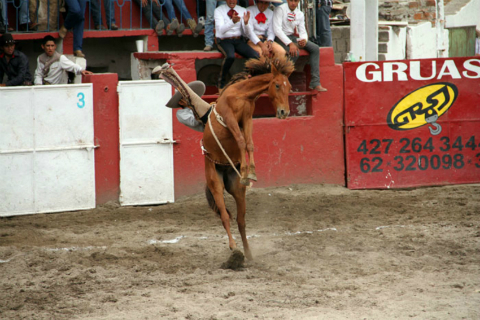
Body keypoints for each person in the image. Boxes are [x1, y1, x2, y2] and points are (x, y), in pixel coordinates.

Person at [273, 0, 327, 92]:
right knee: (295, 52)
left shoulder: (299, 13)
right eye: (291, 0)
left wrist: (303, 40)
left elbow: (302, 31)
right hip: (280, 38)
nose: (293, 3)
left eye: (296, 1)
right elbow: (277, 30)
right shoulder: (280, 9)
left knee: (315, 48)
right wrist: (290, 44)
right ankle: (283, 82)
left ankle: (315, 82)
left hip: (292, 37)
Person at [214, 0, 259, 89]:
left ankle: (245, 79)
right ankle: (221, 83)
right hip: (224, 40)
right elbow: (221, 30)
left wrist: (246, 24)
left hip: (238, 40)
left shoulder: (242, 10)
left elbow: (246, 34)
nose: (232, 1)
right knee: (230, 56)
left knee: (255, 56)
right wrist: (232, 22)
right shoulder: (219, 10)